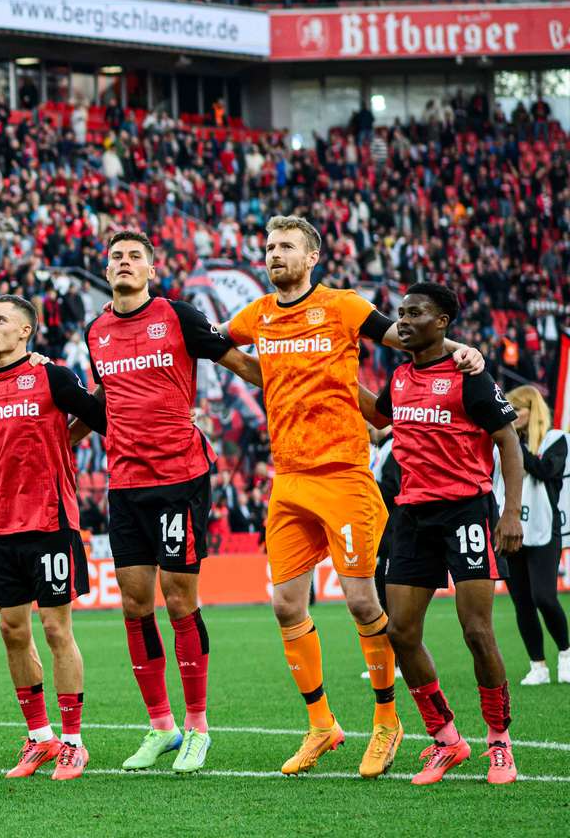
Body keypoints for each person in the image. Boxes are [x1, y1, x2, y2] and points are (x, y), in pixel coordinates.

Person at [224, 215, 483, 778]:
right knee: (286, 604)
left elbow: (405, 335)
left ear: (311, 256)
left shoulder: (342, 306)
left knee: (364, 602)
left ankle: (387, 722)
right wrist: (259, 374)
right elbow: (220, 344)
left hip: (343, 472)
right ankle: (323, 725)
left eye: (286, 246)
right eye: (268, 246)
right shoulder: (257, 315)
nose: (273, 254)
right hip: (288, 477)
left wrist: (462, 349)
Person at [87, 231, 263, 774]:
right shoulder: (96, 331)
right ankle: (160, 726)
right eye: (116, 256)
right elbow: (103, 402)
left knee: (180, 600)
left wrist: (298, 384)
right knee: (135, 604)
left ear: (151, 267)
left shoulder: (179, 316)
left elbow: (241, 365)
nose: (124, 262)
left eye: (134, 255)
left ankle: (197, 726)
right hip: (125, 483)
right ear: (106, 267)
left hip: (179, 476)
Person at [361, 283, 523, 785]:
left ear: (443, 322)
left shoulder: (469, 374)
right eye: (401, 313)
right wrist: (334, 376)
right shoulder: (401, 375)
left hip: (466, 512)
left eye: (415, 313)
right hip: (411, 516)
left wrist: (511, 513)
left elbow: (508, 442)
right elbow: (379, 419)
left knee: (476, 631)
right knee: (400, 631)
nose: (403, 320)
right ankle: (446, 740)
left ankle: (499, 743)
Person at [0, 296, 107, 780]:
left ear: (26, 331)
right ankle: (39, 737)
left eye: (0, 320)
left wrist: (64, 441)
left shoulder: (53, 376)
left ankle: (73, 741)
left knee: (55, 629)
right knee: (11, 630)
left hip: (50, 521)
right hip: (3, 526)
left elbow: (99, 414)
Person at [498, 385, 568, 685]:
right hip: (510, 531)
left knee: (545, 597)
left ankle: (565, 653)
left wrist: (515, 446)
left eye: (517, 409)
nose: (512, 415)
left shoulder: (555, 439)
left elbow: (546, 471)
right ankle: (537, 664)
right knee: (522, 602)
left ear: (532, 410)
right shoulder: (501, 442)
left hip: (543, 528)